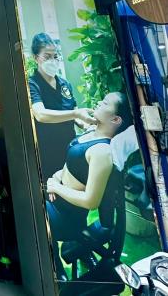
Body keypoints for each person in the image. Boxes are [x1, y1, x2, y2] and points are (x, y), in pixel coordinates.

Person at [45, 92, 133, 277]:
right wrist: (56, 178)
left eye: (105, 103)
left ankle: (55, 273)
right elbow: (73, 167)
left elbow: (91, 201)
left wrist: (57, 188)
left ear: (116, 119)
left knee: (30, 211)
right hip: (56, 201)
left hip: (66, 218)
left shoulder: (102, 152)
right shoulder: (91, 132)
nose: (99, 102)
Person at [28, 33, 96, 178]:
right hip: (48, 151)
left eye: (55, 56)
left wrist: (87, 125)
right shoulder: (32, 84)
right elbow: (41, 115)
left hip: (69, 148)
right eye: (47, 56)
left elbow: (75, 114)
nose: (52, 61)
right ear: (35, 58)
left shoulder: (65, 84)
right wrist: (76, 114)